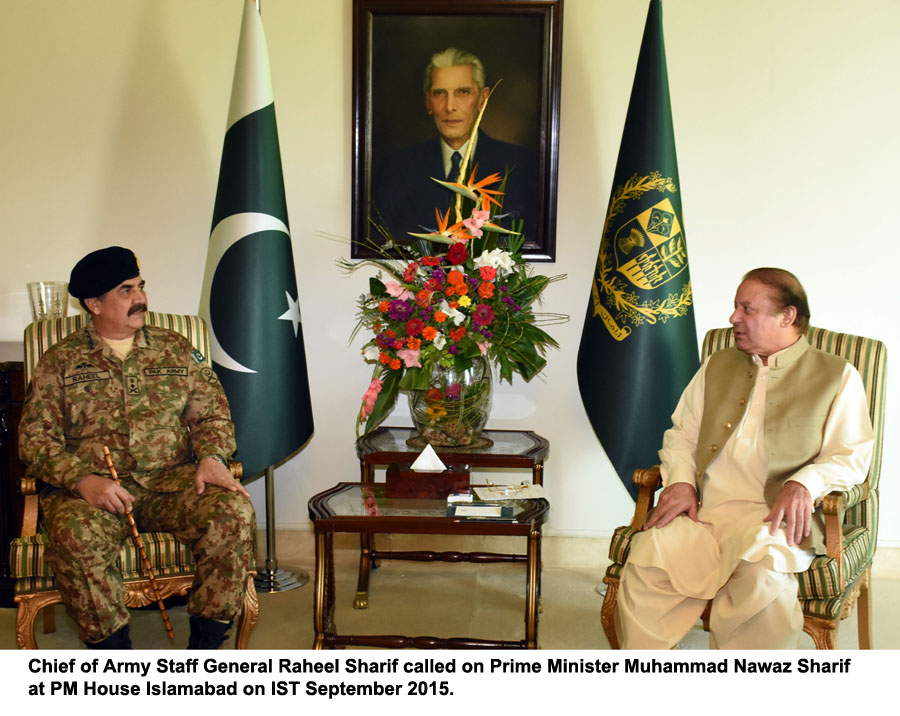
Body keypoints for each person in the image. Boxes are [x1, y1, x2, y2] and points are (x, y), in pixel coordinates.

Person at [616, 268, 874, 649]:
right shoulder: (717, 365)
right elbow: (682, 434)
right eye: (736, 307)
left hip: (773, 522)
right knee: (649, 560)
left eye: (746, 308)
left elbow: (851, 455)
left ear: (786, 316)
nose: (733, 318)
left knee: (761, 577)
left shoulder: (837, 375)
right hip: (704, 513)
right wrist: (682, 481)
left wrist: (804, 482)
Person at [19, 246, 256, 649]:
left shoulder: (176, 348)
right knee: (74, 536)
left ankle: (206, 648)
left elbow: (212, 417)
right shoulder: (60, 361)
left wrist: (212, 458)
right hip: (93, 495)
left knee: (233, 511)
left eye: (140, 287)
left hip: (171, 483)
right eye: (126, 291)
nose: (140, 298)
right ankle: (115, 658)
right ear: (93, 303)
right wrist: (81, 480)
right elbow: (35, 441)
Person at [372, 47, 537, 242]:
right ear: (428, 102)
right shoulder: (396, 168)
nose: (450, 106)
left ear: (482, 99)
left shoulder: (521, 165)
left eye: (463, 92)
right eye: (440, 93)